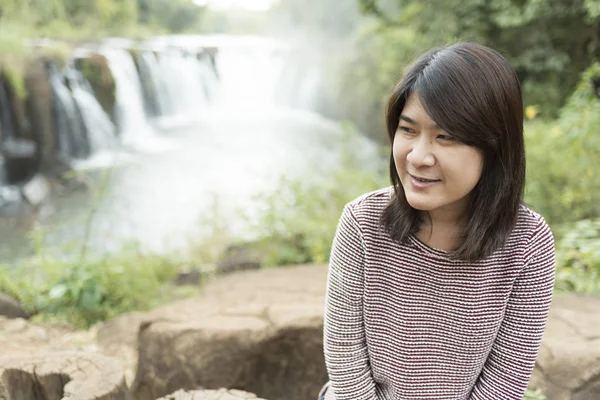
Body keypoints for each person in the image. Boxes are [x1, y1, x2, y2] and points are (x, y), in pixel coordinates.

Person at [319, 42, 556, 400]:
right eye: (408, 130)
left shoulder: (528, 243)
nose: (418, 156)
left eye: (445, 136)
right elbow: (344, 356)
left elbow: (505, 380)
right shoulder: (363, 222)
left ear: (494, 147)